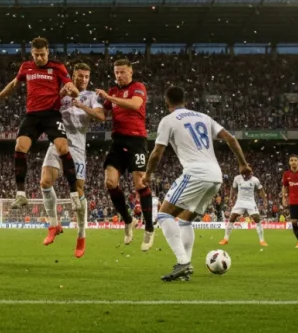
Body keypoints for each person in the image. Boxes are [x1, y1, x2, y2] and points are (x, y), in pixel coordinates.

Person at [143, 87, 251, 282]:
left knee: (164, 214)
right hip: (215, 176)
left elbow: (157, 152)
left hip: (195, 173)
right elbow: (230, 138)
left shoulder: (168, 120)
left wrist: (148, 175)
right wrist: (242, 163)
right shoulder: (204, 117)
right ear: (186, 101)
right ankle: (185, 269)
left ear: (167, 104)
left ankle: (183, 262)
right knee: (185, 220)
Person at [0, 37, 79, 216]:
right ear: (32, 54)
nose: (39, 58)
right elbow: (14, 84)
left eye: (42, 55)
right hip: (33, 115)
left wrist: (72, 90)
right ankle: (21, 194)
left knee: (62, 147)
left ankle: (73, 192)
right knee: (20, 146)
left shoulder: (58, 67)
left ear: (48, 52)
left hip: (51, 114)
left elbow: (72, 88)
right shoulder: (26, 67)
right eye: (36, 55)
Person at [38, 62, 105, 257]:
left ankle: (81, 236)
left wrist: (82, 105)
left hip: (76, 148)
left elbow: (101, 116)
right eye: (80, 76)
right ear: (73, 76)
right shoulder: (61, 92)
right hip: (57, 142)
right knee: (45, 182)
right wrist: (61, 95)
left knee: (78, 191)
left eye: (86, 76)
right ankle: (53, 224)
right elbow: (45, 109)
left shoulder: (93, 96)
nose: (83, 79)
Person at [96, 59, 154, 250]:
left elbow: (135, 105)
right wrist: (82, 105)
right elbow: (102, 115)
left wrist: (110, 98)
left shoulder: (138, 87)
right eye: (116, 72)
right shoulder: (112, 91)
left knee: (140, 183)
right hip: (118, 141)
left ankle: (149, 228)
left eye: (122, 72)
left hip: (137, 140)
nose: (119, 75)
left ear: (130, 72)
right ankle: (128, 220)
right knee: (110, 182)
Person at [220, 173, 268, 246]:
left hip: (250, 202)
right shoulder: (237, 178)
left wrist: (265, 200)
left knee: (257, 218)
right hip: (240, 201)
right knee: (232, 217)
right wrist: (230, 198)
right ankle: (225, 239)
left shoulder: (255, 180)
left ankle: (262, 241)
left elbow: (261, 190)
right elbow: (233, 188)